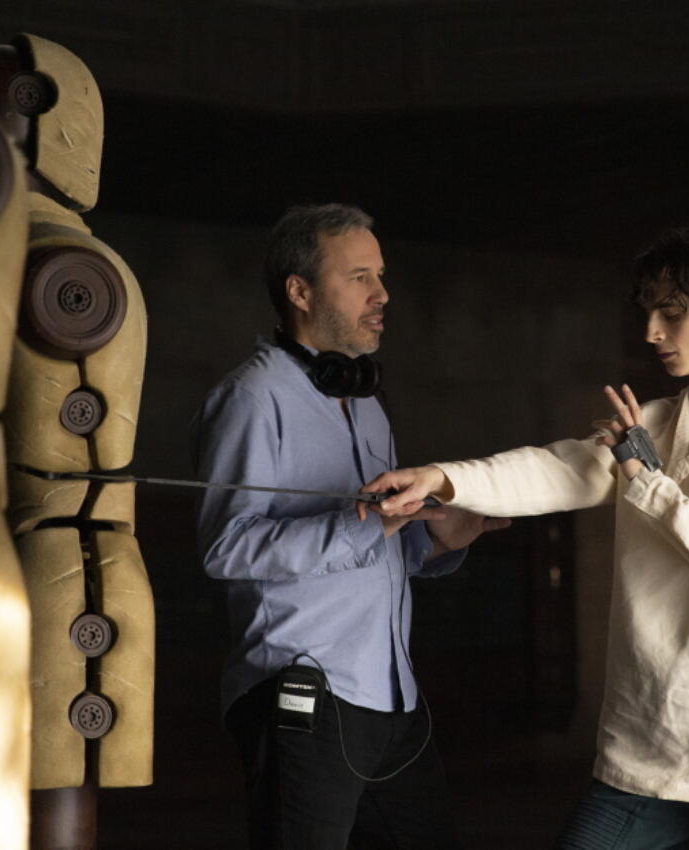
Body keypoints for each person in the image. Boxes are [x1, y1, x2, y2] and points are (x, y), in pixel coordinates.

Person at [364, 222, 689, 849]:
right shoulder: (649, 426)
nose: (652, 331)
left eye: (673, 313)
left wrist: (647, 480)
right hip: (655, 741)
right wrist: (439, 478)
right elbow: (553, 468)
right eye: (648, 312)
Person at [191, 203, 507, 850]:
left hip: (389, 697)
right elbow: (227, 548)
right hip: (303, 694)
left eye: (380, 275)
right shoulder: (254, 399)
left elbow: (375, 542)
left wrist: (437, 540)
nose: (382, 294)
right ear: (299, 291)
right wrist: (369, 527)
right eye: (360, 276)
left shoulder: (365, 404)